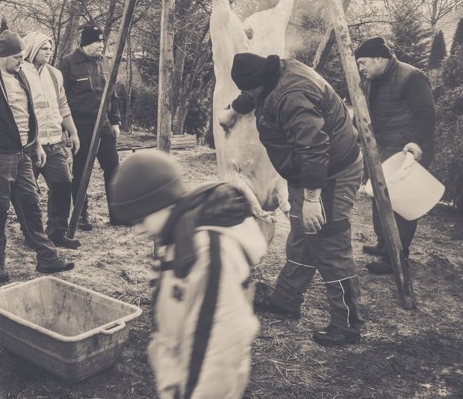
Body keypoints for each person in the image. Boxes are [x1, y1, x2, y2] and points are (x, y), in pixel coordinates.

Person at [220, 52, 365, 347]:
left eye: (249, 91)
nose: (248, 95)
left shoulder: (293, 94)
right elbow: (255, 93)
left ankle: (347, 324)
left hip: (331, 172)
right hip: (308, 172)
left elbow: (313, 148)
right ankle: (286, 300)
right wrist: (234, 109)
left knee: (329, 242)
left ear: (259, 82)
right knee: (302, 233)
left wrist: (312, 198)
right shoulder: (274, 72)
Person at [108, 150, 267, 399]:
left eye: (141, 219)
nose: (137, 230)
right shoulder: (178, 241)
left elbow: (221, 345)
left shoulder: (210, 253)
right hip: (184, 381)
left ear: (164, 202)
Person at [0, 30, 74, 283]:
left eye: (23, 57)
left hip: (23, 153)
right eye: (17, 57)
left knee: (30, 204)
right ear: (2, 56)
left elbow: (29, 113)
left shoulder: (21, 76)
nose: (21, 61)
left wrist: (36, 146)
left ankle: (47, 258)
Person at [354, 36, 436, 274]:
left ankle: (397, 257)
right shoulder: (371, 80)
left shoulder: (411, 77)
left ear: (379, 59)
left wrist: (416, 142)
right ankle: (384, 245)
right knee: (379, 197)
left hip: (407, 150)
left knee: (399, 203)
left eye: (363, 62)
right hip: (382, 148)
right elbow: (365, 111)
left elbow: (427, 115)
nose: (361, 68)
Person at [57, 25, 122, 230]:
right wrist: (64, 128)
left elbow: (112, 94)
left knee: (113, 167)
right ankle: (81, 214)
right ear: (85, 43)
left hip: (103, 124)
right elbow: (60, 98)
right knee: (81, 171)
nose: (101, 45)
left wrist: (115, 121)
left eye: (102, 41)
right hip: (80, 125)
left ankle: (117, 214)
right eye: (96, 41)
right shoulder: (68, 63)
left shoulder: (105, 62)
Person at [22, 31, 81, 249]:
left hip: (55, 142)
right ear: (32, 50)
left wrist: (73, 132)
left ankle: (57, 233)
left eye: (50, 48)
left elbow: (62, 105)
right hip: (29, 145)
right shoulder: (20, 73)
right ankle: (32, 236)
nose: (49, 52)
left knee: (63, 183)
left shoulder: (55, 74)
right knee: (28, 194)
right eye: (44, 48)